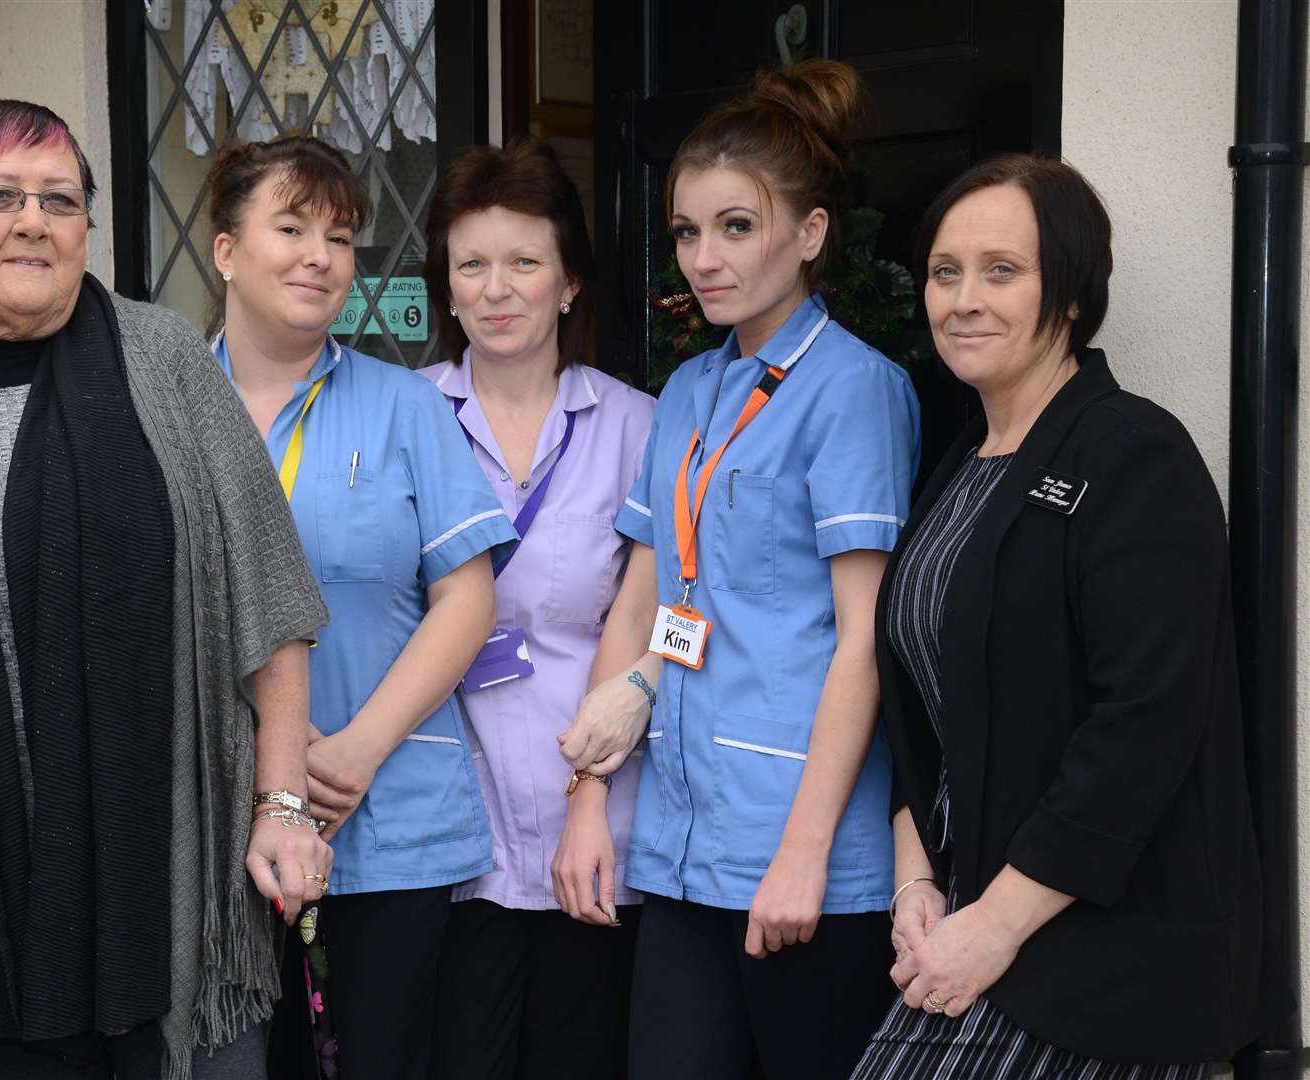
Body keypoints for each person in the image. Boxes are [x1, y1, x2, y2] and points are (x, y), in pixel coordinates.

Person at [0, 100, 332, 1080]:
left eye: (61, 198)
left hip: (173, 882)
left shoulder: (163, 360)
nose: (33, 219)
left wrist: (283, 804)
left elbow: (270, 600)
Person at [848, 154, 1264, 1078]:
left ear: (1070, 293)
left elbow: (1143, 727)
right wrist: (914, 879)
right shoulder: (957, 465)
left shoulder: (1133, 455)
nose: (963, 299)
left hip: (1102, 965)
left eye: (1002, 271)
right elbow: (923, 708)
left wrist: (990, 927)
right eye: (944, 273)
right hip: (965, 938)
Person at [557, 61, 921, 1077]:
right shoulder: (683, 387)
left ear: (807, 235)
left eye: (734, 227)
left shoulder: (854, 390)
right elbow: (644, 592)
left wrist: (804, 852)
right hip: (677, 832)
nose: (702, 259)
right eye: (685, 231)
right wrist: (588, 790)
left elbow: (862, 641)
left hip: (795, 845)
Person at [203, 135, 516, 1080]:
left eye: (340, 239)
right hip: (213, 825)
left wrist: (356, 749)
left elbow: (467, 599)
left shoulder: (404, 406)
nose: (319, 257)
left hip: (382, 820)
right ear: (225, 250)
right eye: (290, 228)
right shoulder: (169, 412)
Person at [411, 139, 655, 1080]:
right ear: (447, 285)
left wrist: (592, 794)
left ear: (568, 283)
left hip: (593, 836)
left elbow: (667, 622)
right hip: (445, 836)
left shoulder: (640, 425)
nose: (496, 288)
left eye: (524, 261)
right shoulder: (403, 416)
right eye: (471, 264)